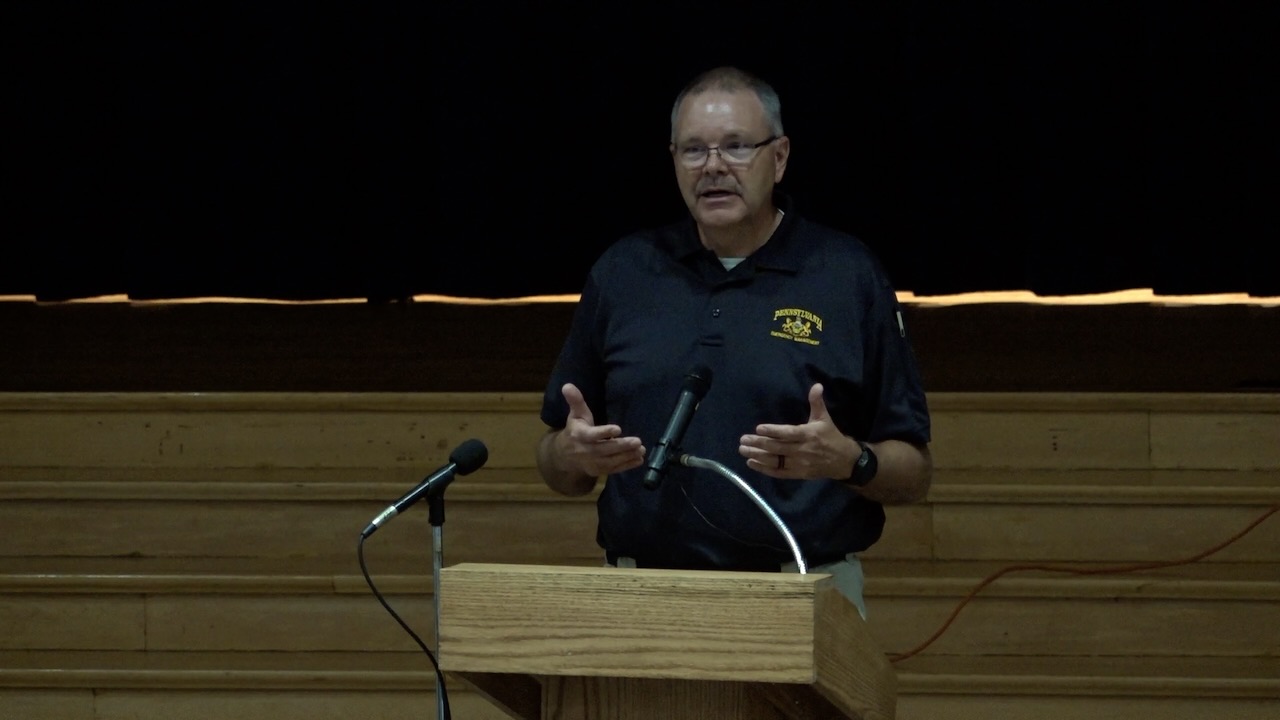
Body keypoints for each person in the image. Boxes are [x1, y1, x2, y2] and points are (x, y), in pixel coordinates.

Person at [534, 65, 932, 619]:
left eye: (737, 147)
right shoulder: (623, 274)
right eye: (693, 151)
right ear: (672, 160)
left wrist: (850, 461)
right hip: (639, 599)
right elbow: (558, 466)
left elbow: (913, 470)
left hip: (802, 594)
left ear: (781, 156)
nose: (714, 167)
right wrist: (570, 454)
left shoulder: (846, 276)